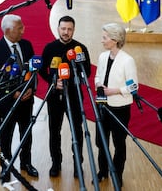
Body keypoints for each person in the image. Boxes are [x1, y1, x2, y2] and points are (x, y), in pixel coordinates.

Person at [0, 14, 38, 182]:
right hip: (7, 104)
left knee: (26, 135)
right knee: (5, 138)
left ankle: (26, 163)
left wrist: (30, 89)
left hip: (26, 101)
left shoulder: (27, 45)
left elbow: (33, 71)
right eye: (19, 28)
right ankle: (6, 168)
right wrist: (13, 94)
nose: (24, 30)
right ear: (8, 30)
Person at [39, 15, 91, 178]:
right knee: (54, 131)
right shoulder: (49, 48)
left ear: (73, 30)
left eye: (69, 29)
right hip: (54, 97)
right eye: (63, 28)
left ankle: (78, 164)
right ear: (58, 29)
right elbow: (42, 70)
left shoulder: (80, 49)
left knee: (77, 131)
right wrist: (53, 82)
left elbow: (87, 72)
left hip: (75, 96)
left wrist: (74, 78)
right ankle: (56, 163)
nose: (66, 32)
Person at [94, 22, 138, 186]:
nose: (102, 40)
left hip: (120, 107)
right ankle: (102, 172)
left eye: (105, 38)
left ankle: (117, 175)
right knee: (101, 141)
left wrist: (114, 91)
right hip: (102, 103)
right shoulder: (102, 56)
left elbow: (134, 86)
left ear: (114, 39)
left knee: (119, 144)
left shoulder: (128, 61)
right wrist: (99, 85)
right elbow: (98, 76)